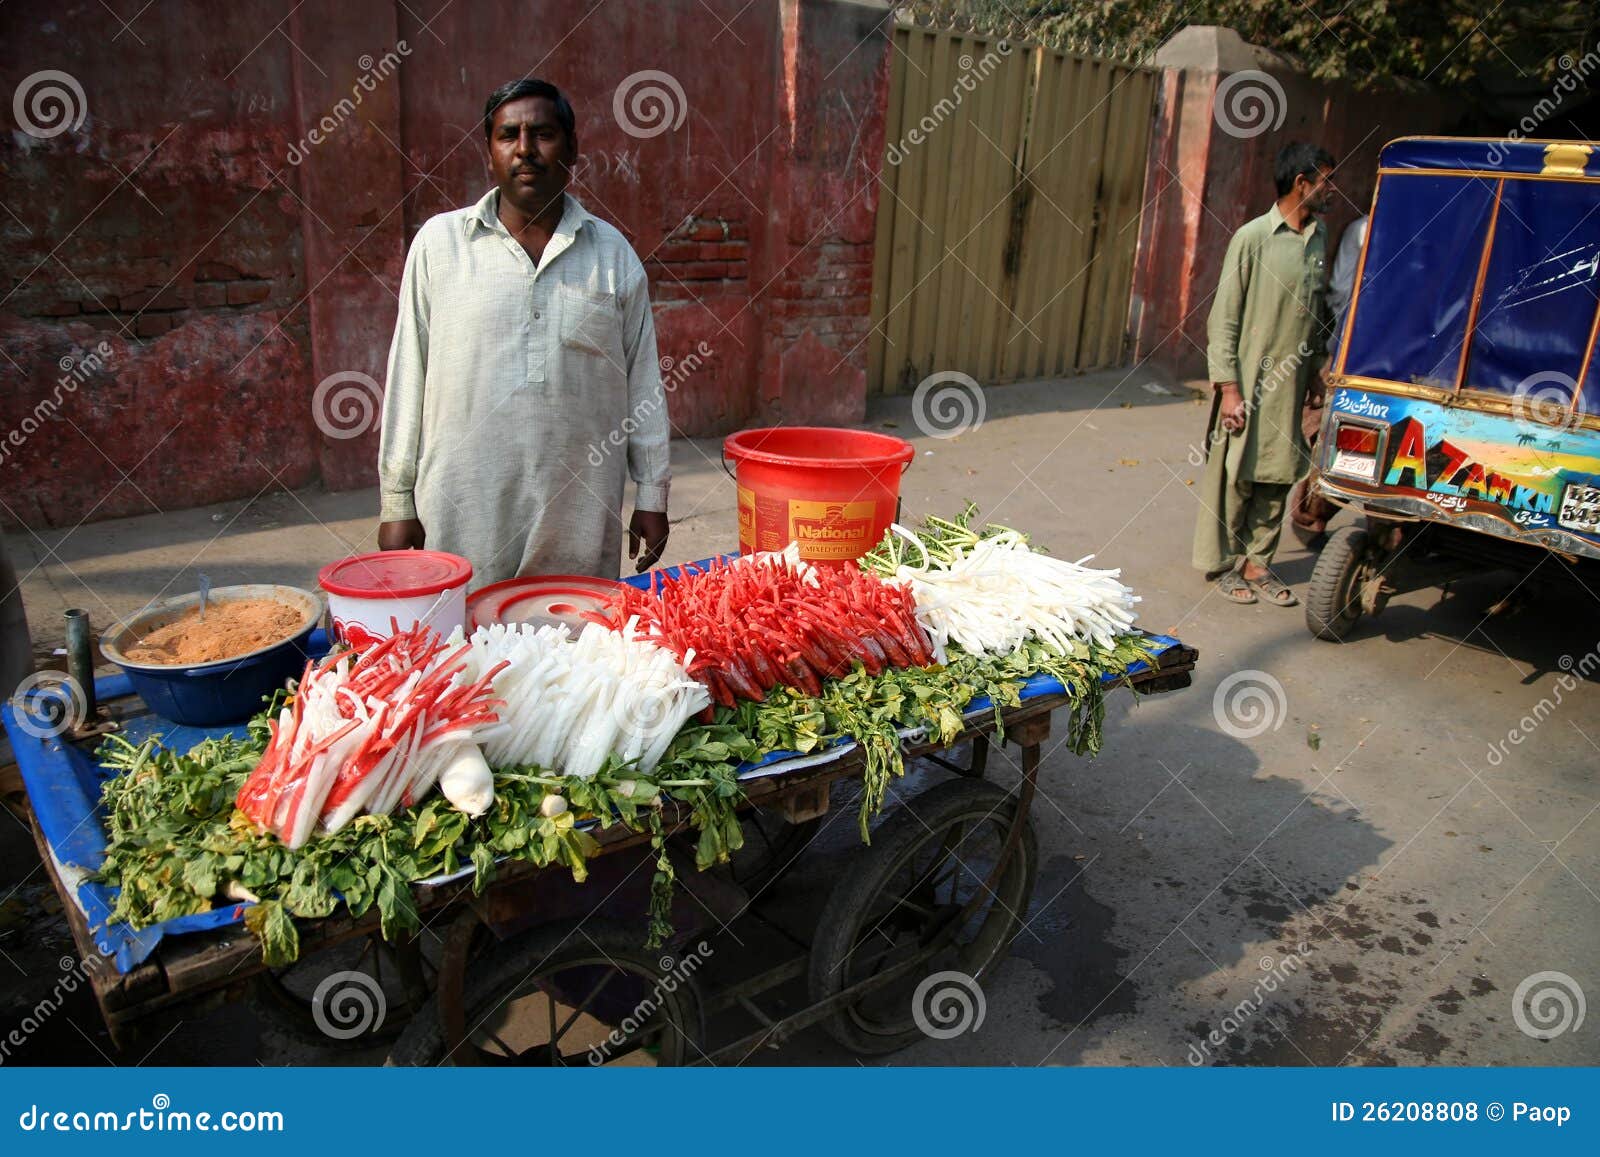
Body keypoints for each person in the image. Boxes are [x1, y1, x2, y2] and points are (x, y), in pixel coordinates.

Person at [377, 78, 671, 586]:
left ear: (572, 148)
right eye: (508, 135)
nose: (525, 149)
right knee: (464, 632)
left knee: (573, 630)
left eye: (543, 134)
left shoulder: (611, 254)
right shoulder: (440, 246)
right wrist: (397, 500)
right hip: (463, 515)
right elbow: (408, 372)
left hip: (577, 516)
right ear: (488, 151)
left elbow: (643, 381)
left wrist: (652, 493)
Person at [1192, 141, 1335, 606]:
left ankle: (1258, 564)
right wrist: (1229, 388)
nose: (1332, 190)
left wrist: (1314, 371)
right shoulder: (1252, 238)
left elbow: (1316, 312)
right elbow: (1224, 318)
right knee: (1238, 474)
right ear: (1302, 184)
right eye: (1326, 181)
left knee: (1279, 474)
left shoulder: (1319, 237)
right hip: (1250, 382)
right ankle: (1223, 564)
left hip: (1292, 385)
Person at [1289, 211, 1367, 546]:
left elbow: (1340, 290)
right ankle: (1312, 513)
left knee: (1338, 434)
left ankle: (1311, 515)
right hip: (1358, 351)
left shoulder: (1364, 229)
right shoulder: (1364, 230)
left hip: (1355, 348)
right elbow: (1340, 292)